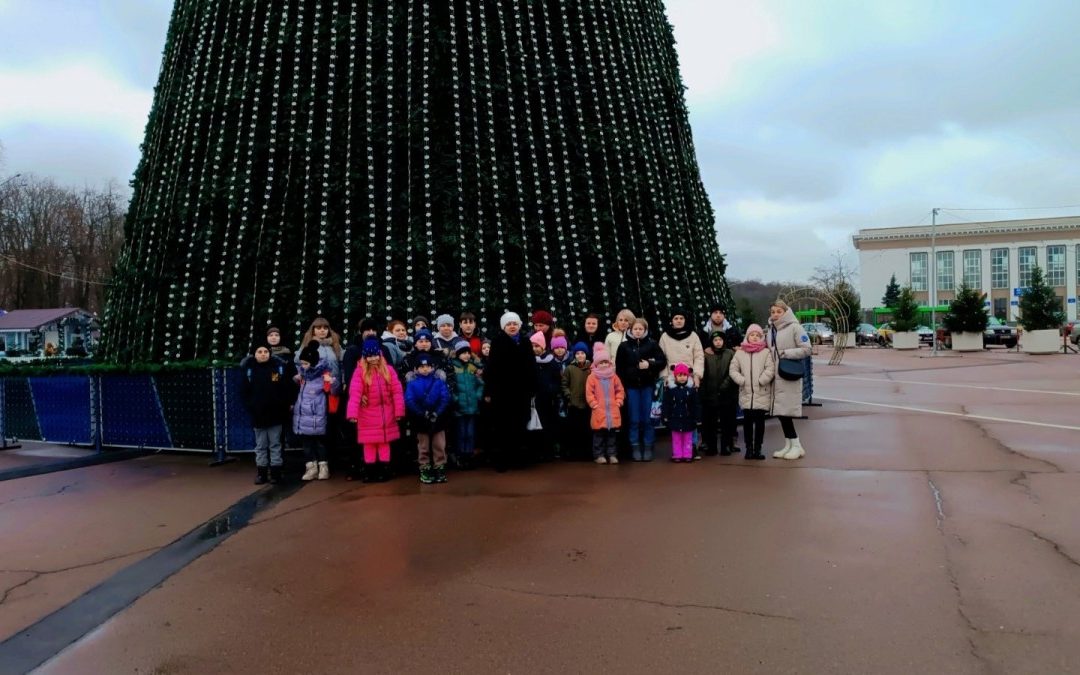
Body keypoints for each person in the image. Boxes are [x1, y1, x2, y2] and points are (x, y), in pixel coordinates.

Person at [345, 337, 405, 483]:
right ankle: (369, 471)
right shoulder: (360, 372)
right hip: (367, 415)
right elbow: (355, 393)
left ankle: (384, 470)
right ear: (365, 357)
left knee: (385, 443)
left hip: (386, 414)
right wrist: (352, 413)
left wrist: (399, 411)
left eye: (375, 355)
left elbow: (397, 391)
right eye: (370, 356)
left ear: (380, 354)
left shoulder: (388, 370)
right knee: (369, 445)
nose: (373, 359)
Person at [483, 311, 537, 472]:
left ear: (519, 325)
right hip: (503, 393)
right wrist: (489, 391)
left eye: (515, 323)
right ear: (503, 327)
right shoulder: (498, 342)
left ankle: (518, 458)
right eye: (509, 324)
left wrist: (533, 387)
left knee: (520, 424)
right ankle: (502, 460)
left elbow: (531, 366)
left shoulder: (526, 342)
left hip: (522, 392)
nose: (512, 326)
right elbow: (491, 368)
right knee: (503, 426)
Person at [766, 300, 812, 460]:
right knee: (781, 412)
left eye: (779, 311)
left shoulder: (795, 327)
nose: (775, 314)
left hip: (788, 374)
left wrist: (786, 353)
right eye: (773, 312)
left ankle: (797, 445)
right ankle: (789, 444)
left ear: (785, 312)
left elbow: (807, 349)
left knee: (787, 412)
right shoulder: (771, 330)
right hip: (775, 376)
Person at [615, 317, 666, 462]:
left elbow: (662, 361)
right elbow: (619, 369)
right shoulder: (624, 346)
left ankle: (648, 446)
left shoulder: (652, 344)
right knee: (634, 419)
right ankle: (635, 446)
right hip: (631, 388)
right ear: (630, 330)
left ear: (645, 330)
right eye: (635, 329)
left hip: (647, 386)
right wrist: (621, 387)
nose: (638, 331)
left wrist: (650, 364)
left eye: (640, 329)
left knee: (648, 419)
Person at [240, 340, 291, 484]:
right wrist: (251, 407)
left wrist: (282, 406)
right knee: (261, 445)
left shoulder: (276, 368)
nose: (263, 355)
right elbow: (244, 392)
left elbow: (284, 389)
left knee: (275, 444)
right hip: (258, 415)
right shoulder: (249, 371)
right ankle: (262, 473)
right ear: (254, 354)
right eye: (260, 352)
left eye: (266, 352)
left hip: (275, 415)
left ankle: (275, 472)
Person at [293, 341, 340, 480]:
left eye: (306, 363)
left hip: (317, 415)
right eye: (302, 363)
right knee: (307, 443)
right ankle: (311, 467)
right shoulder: (301, 376)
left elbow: (334, 390)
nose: (303, 366)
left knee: (320, 442)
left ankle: (323, 467)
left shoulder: (323, 375)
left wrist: (332, 382)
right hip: (303, 415)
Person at [404, 352, 452, 484]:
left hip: (438, 418)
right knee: (423, 446)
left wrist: (437, 412)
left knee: (439, 445)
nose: (425, 369)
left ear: (432, 367)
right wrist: (422, 412)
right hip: (421, 419)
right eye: (421, 367)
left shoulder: (439, 382)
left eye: (428, 366)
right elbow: (409, 400)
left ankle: (440, 467)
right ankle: (425, 468)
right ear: (416, 369)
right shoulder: (412, 384)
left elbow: (445, 397)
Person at [729, 324, 774, 461]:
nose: (754, 337)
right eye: (752, 335)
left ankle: (758, 448)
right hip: (746, 393)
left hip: (761, 392)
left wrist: (761, 380)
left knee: (760, 423)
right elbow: (733, 370)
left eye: (757, 335)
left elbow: (770, 369)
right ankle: (749, 448)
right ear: (747, 336)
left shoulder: (766, 352)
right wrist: (742, 380)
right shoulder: (740, 353)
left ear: (761, 337)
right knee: (747, 423)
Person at [585, 343, 624, 465]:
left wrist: (618, 401)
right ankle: (599, 455)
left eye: (605, 362)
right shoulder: (592, 377)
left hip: (612, 411)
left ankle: (612, 454)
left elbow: (620, 390)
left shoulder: (613, 376)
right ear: (596, 364)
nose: (603, 365)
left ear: (609, 363)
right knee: (599, 436)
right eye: (601, 363)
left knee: (612, 436)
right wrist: (594, 404)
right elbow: (589, 392)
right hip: (599, 411)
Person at [700, 331, 738, 456]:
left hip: (727, 393)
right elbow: (703, 374)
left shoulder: (730, 354)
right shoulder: (706, 355)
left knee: (726, 422)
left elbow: (733, 371)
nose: (718, 342)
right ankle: (711, 446)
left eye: (720, 340)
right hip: (710, 393)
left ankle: (726, 446)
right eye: (715, 340)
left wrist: (725, 385)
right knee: (710, 422)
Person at [451, 342, 484, 469]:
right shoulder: (453, 368)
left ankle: (469, 455)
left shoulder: (472, 367)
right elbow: (451, 386)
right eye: (463, 353)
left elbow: (480, 383)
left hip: (472, 406)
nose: (466, 355)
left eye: (468, 353)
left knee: (470, 432)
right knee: (460, 432)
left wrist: (477, 396)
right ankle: (461, 455)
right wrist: (455, 398)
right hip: (459, 406)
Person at [530, 331, 562, 461]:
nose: (535, 349)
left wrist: (552, 389)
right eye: (532, 346)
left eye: (537, 346)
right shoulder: (530, 362)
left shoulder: (551, 362)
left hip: (548, 399)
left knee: (548, 424)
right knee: (534, 426)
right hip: (534, 398)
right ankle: (536, 451)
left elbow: (557, 380)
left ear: (543, 347)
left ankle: (548, 451)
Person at [560, 341, 593, 461]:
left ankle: (587, 453)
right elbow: (564, 384)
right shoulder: (569, 368)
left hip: (587, 404)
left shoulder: (591, 368)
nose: (580, 355)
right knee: (574, 430)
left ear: (586, 354)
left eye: (582, 353)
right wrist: (568, 395)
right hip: (573, 404)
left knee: (586, 429)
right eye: (577, 353)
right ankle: (574, 453)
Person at [662, 363, 701, 463]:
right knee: (676, 439)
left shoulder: (691, 391)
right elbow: (666, 404)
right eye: (680, 375)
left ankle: (688, 455)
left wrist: (697, 417)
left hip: (688, 419)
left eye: (684, 375)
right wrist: (665, 415)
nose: (682, 378)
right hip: (675, 418)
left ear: (687, 376)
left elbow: (695, 405)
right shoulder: (670, 390)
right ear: (675, 376)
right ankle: (677, 455)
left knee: (688, 438)